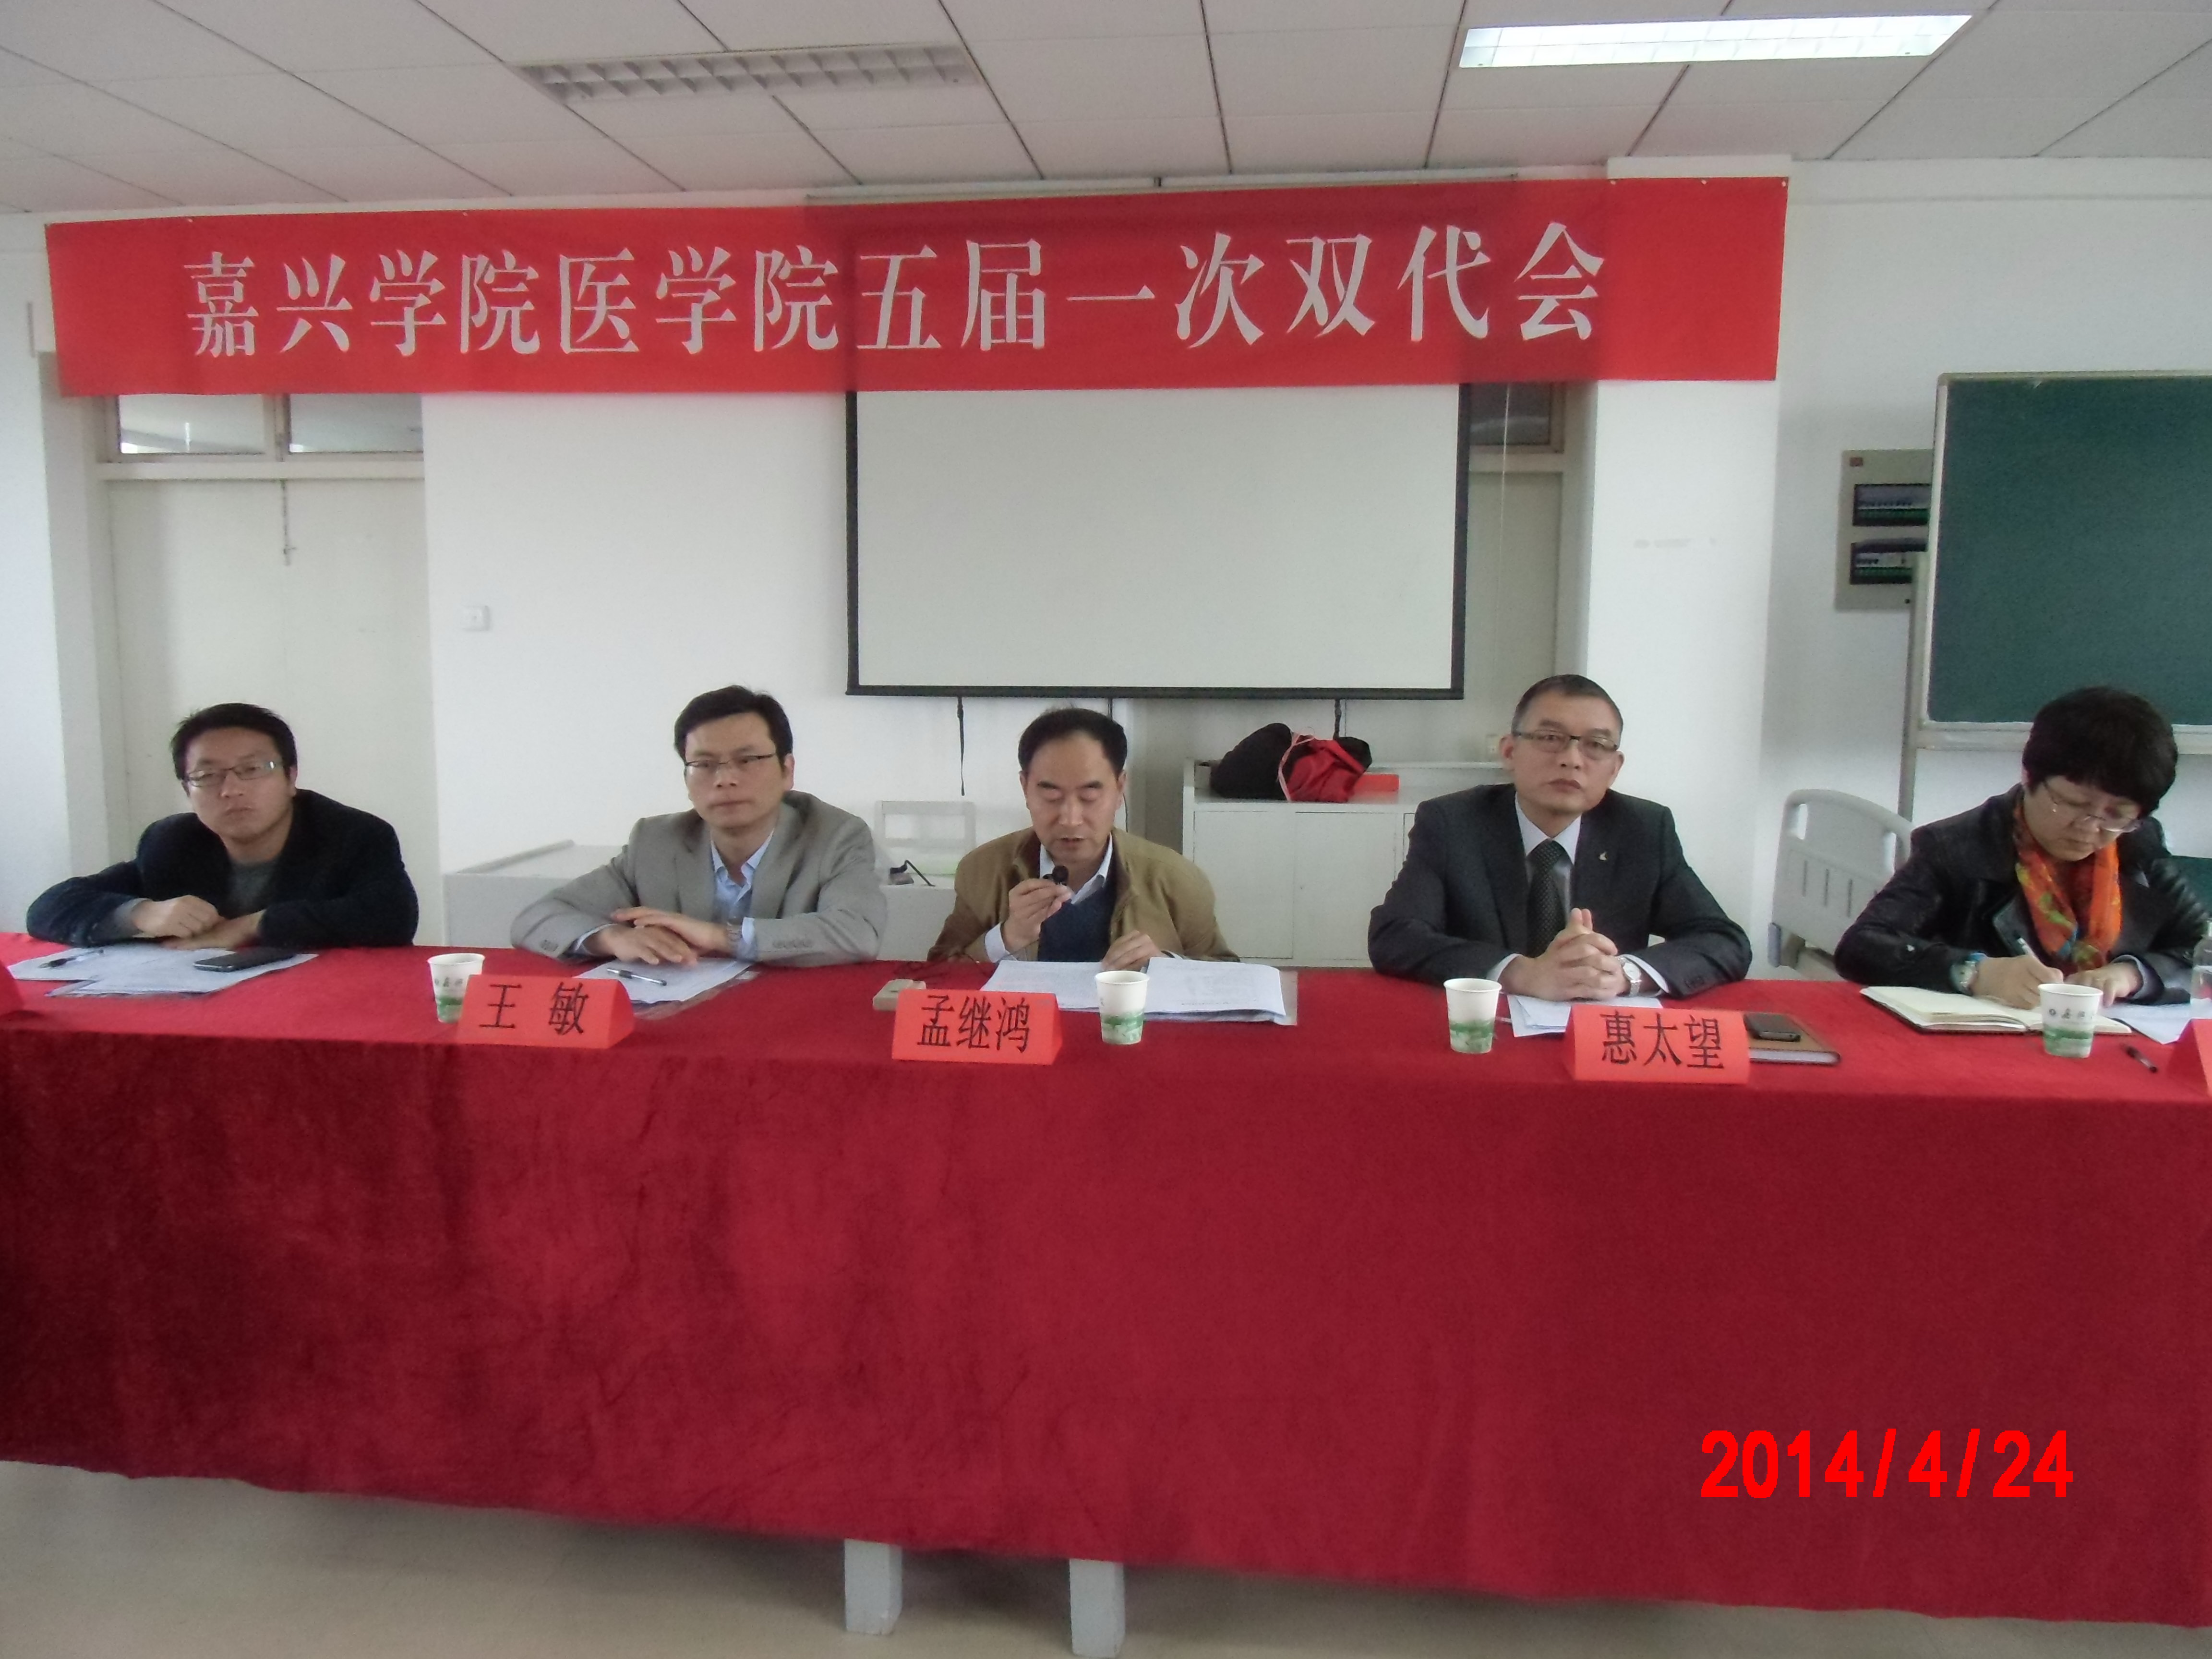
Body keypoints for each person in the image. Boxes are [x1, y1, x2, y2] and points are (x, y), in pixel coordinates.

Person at [1368, 674, 1751, 997]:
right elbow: (1395, 936)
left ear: (1614, 769)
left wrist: (1625, 975)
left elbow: (1723, 940)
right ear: (1510, 752)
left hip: (1597, 1035)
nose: (1572, 759)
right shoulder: (1453, 823)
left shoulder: (1644, 829)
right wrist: (1521, 974)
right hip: (1490, 1032)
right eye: (1551, 738)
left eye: (1596, 745)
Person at [1837, 686, 2208, 1007]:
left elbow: (2201, 948)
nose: (2089, 828)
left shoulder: (2138, 846)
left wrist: (2134, 975)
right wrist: (1976, 973)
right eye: (2072, 804)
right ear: (2029, 777)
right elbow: (1863, 946)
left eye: (2117, 814)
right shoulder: (1959, 847)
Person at [513, 685, 883, 966]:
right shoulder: (655, 842)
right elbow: (535, 919)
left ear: (787, 771)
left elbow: (858, 932)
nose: (725, 780)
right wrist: (609, 938)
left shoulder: (835, 836)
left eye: (747, 760)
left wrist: (721, 937)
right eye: (704, 765)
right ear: (687, 779)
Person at [26, 702, 418, 950]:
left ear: (291, 777)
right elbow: (49, 908)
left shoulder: (353, 835)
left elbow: (392, 917)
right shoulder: (172, 842)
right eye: (207, 776)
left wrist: (255, 925)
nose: (231, 790)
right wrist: (140, 914)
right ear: (187, 789)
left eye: (253, 769)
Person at [930, 707, 1233, 966]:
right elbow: (937, 976)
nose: (1071, 819)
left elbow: (1228, 976)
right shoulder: (982, 871)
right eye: (1051, 796)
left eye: (1089, 796)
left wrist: (1167, 966)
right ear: (1025, 788)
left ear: (1120, 789)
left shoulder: (1176, 880)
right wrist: (1007, 937)